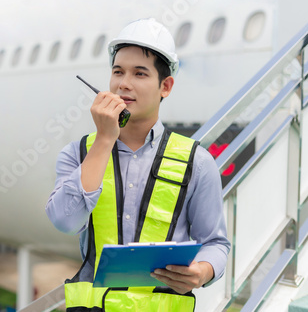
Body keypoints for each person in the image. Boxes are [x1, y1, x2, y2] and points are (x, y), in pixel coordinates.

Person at [45, 18, 230, 311]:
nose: (123, 84)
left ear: (165, 86)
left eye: (139, 73)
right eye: (118, 72)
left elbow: (217, 243)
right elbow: (65, 222)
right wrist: (105, 139)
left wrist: (201, 272)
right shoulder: (79, 153)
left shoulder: (198, 162)